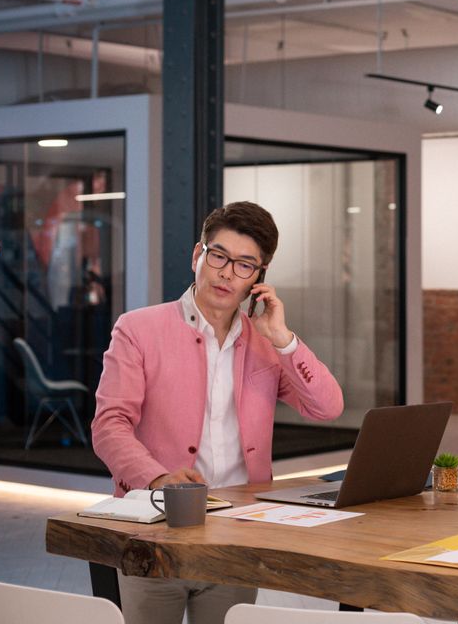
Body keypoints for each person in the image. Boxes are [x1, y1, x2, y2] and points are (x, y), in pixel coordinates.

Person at [92, 201, 343, 624]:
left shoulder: (266, 344)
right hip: (157, 528)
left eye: (245, 265)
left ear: (259, 278)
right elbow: (109, 426)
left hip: (239, 529)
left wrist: (283, 338)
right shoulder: (138, 329)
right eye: (219, 256)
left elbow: (327, 406)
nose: (228, 273)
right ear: (198, 256)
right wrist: (158, 478)